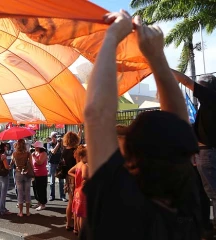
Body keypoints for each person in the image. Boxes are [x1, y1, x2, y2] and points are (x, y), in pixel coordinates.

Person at [82, 11, 201, 239]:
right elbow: (178, 125)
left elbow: (97, 113)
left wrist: (112, 36)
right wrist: (155, 56)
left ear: (132, 157)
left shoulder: (119, 203)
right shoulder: (184, 204)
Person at [172, 68, 216, 232]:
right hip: (204, 154)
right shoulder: (208, 106)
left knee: (213, 194)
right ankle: (205, 227)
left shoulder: (211, 99)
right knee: (204, 193)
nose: (197, 90)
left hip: (208, 154)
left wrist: (161, 65)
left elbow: (186, 81)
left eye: (201, 86)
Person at [62, 131, 80, 231]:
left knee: (70, 201)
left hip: (67, 177)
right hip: (75, 177)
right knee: (76, 201)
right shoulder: (75, 151)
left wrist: (79, 131)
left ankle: (68, 223)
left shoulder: (64, 151)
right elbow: (78, 166)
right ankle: (76, 226)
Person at [68, 145, 88, 236]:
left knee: (77, 213)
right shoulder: (84, 165)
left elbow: (69, 172)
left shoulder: (78, 164)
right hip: (83, 191)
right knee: (83, 215)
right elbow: (84, 176)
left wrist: (77, 177)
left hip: (77, 190)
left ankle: (76, 229)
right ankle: (81, 234)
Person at [12, 139, 33, 217]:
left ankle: (20, 212)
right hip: (27, 172)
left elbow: (12, 162)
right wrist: (33, 173)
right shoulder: (28, 153)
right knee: (27, 192)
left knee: (20, 193)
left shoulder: (14, 153)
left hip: (18, 172)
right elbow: (31, 164)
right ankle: (27, 212)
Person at [48, 132, 66, 202]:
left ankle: (62, 196)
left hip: (59, 164)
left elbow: (64, 152)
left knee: (61, 181)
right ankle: (52, 196)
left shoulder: (62, 144)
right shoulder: (49, 144)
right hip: (52, 164)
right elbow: (53, 152)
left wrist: (61, 144)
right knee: (52, 181)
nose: (56, 138)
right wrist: (58, 144)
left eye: (57, 137)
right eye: (54, 136)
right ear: (52, 137)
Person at [0, 143, 12, 215]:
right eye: (6, 146)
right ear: (4, 148)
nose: (7, 147)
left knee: (0, 192)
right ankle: (3, 209)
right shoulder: (3, 155)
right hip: (4, 175)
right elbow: (6, 167)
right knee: (3, 193)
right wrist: (10, 166)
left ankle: (0, 208)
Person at [32, 141, 48, 211]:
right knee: (36, 189)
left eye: (36, 146)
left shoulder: (43, 153)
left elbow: (40, 162)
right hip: (35, 174)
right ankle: (39, 202)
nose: (34, 148)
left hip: (42, 174)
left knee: (41, 189)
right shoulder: (35, 153)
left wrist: (34, 157)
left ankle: (43, 204)